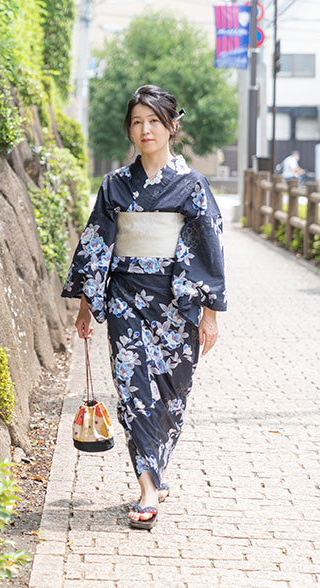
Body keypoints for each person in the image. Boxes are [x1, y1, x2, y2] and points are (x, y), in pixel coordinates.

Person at [61, 85, 227, 530]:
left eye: (153, 120)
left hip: (177, 304)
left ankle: (157, 463)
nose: (145, 129)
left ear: (171, 126)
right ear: (129, 131)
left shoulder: (192, 185)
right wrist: (86, 306)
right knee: (134, 392)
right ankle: (148, 488)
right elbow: (96, 244)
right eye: (137, 122)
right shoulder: (115, 185)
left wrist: (208, 313)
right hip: (125, 300)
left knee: (171, 396)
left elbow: (207, 245)